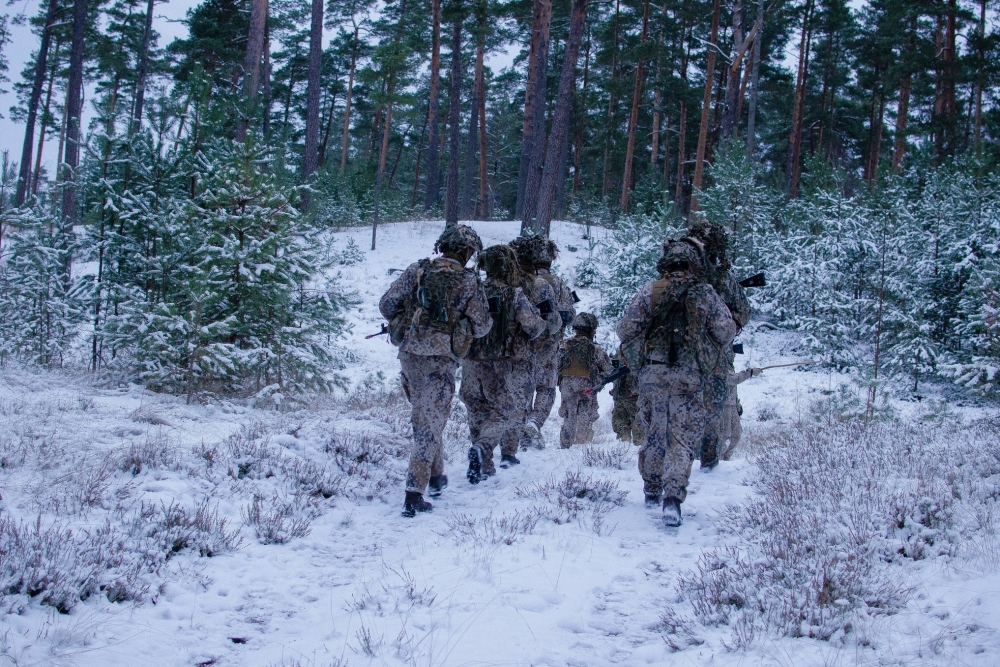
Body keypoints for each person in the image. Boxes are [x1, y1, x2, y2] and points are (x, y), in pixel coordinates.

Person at [616, 237, 737, 528]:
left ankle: (651, 490)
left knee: (655, 431)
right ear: (694, 262)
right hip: (689, 375)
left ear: (667, 261)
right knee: (682, 437)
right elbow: (726, 332)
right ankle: (673, 498)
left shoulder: (650, 290)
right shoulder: (705, 293)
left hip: (653, 375)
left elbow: (624, 330)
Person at [379, 225, 492, 518]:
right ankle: (414, 493)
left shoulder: (416, 270)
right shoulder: (469, 281)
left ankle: (437, 476)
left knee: (426, 417)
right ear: (467, 252)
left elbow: (386, 305)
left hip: (409, 356)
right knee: (429, 424)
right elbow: (481, 325)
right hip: (441, 360)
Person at [461, 245, 547, 484]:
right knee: (504, 411)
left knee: (475, 410)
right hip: (500, 363)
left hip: (470, 360)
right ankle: (483, 448)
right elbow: (535, 327)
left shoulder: (473, 290)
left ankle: (484, 464)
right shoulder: (515, 294)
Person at [687, 221, 752, 470]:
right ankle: (708, 462)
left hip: (682, 355)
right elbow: (744, 312)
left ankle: (684, 458)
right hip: (717, 357)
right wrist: (725, 329)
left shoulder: (677, 278)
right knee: (712, 410)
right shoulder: (724, 279)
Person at [508, 235, 563, 449]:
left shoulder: (506, 280)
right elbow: (562, 315)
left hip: (510, 346)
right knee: (546, 387)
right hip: (544, 344)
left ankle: (516, 431)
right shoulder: (551, 283)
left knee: (520, 388)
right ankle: (533, 424)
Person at [557, 312, 613, 448]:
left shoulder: (565, 345)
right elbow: (609, 370)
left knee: (569, 415)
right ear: (591, 329)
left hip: (567, 385)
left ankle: (565, 445)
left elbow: (556, 365)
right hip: (587, 385)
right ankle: (582, 444)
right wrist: (599, 378)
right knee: (584, 413)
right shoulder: (595, 348)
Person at [719, 366, 762, 460]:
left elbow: (733, 386)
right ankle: (718, 459)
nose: (734, 354)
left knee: (737, 433)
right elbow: (731, 379)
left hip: (732, 406)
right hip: (722, 406)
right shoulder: (719, 361)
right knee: (723, 436)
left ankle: (726, 458)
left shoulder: (730, 364)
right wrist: (749, 373)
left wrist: (737, 402)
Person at [610, 350, 643, 445]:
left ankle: (636, 444)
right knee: (621, 421)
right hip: (622, 396)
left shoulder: (632, 353)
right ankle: (624, 446)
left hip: (630, 396)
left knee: (634, 421)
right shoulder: (635, 351)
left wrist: (635, 390)